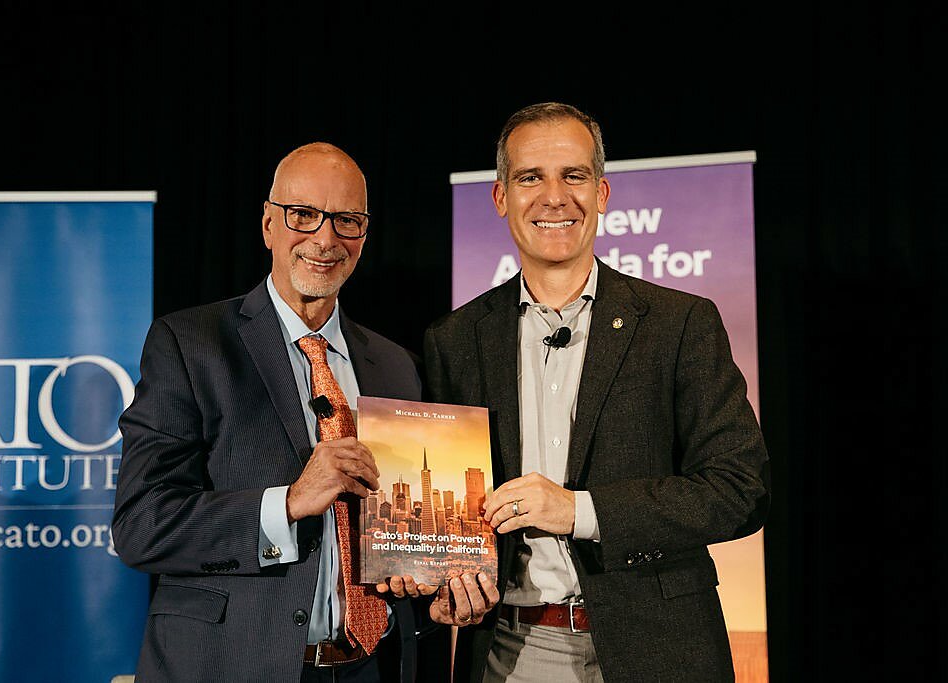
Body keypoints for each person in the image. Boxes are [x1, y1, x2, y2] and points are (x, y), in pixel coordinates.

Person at [112, 142, 490, 682]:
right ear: (268, 225)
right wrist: (286, 503)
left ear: (365, 233)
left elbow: (405, 544)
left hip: (374, 667)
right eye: (304, 215)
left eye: (347, 221)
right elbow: (140, 524)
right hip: (231, 666)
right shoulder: (190, 344)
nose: (325, 238)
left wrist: (433, 585)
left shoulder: (397, 365)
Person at [423, 103, 770, 682]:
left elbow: (740, 490)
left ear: (602, 193)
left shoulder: (678, 323)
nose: (554, 196)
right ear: (500, 197)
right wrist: (446, 586)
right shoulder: (454, 340)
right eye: (531, 177)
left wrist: (579, 510)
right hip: (511, 650)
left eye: (574, 176)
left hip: (659, 650)